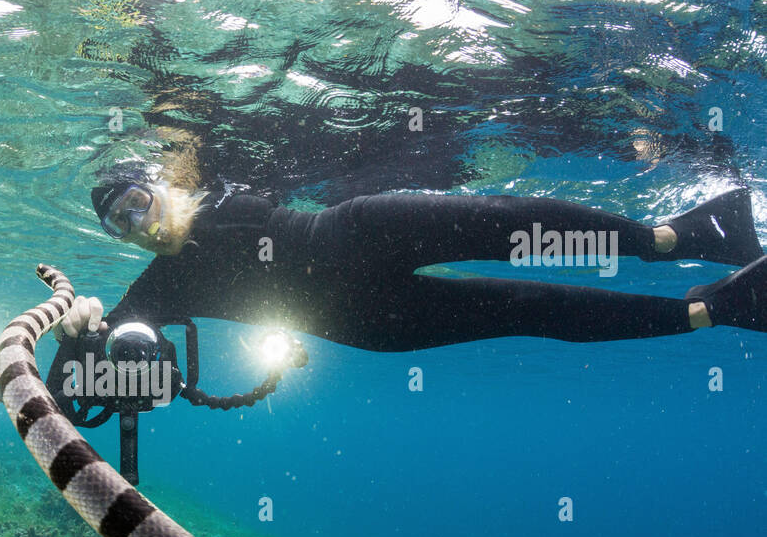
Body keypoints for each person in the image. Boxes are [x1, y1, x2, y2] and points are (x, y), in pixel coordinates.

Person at [55, 169, 766, 352]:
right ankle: (713, 309)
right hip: (370, 319)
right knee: (530, 310)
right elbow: (102, 359)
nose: (137, 223)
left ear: (163, 185)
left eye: (137, 201)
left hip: (361, 233)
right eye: (121, 223)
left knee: (510, 226)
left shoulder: (222, 179)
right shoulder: (159, 285)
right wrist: (80, 326)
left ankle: (675, 238)